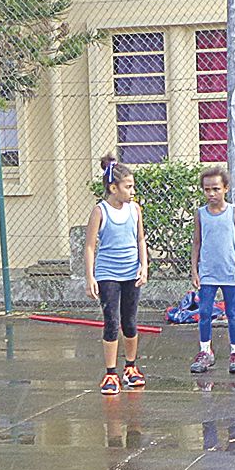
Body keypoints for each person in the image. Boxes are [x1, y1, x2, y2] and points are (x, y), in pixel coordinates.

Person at [84, 155, 151, 393]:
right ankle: (111, 373)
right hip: (108, 274)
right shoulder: (100, 211)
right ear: (113, 188)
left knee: (130, 321)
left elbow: (140, 239)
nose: (132, 191)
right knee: (112, 322)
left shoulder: (135, 210)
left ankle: (130, 367)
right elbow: (90, 246)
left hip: (130, 273)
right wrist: (90, 277)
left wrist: (144, 266)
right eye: (128, 186)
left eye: (133, 186)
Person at [190, 165, 235, 375]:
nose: (211, 194)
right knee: (204, 311)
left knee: (232, 312)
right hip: (208, 272)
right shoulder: (200, 214)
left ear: (225, 188)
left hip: (230, 271)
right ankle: (205, 351)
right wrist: (194, 270)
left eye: (216, 189)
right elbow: (197, 242)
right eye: (207, 189)